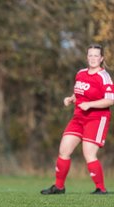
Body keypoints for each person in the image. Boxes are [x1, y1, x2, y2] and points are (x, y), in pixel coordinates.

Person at [41, 44, 114, 195]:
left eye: (96, 56)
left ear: (101, 59)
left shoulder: (104, 76)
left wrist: (90, 105)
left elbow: (110, 100)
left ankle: (101, 188)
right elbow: (80, 93)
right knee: (64, 150)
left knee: (88, 153)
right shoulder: (80, 73)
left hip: (97, 118)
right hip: (79, 117)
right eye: (90, 55)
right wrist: (71, 98)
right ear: (87, 57)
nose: (93, 58)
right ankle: (59, 187)